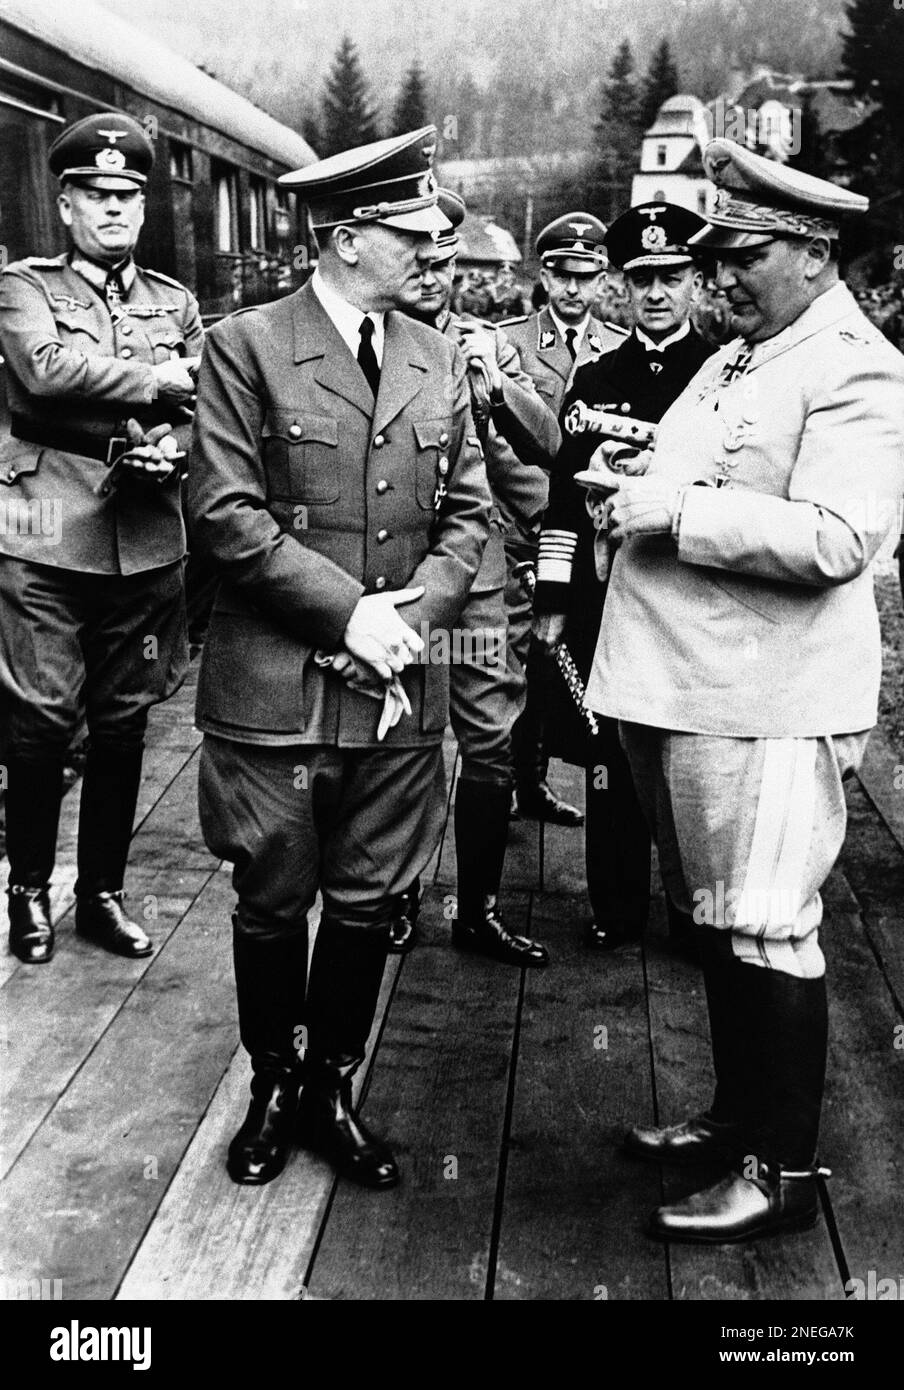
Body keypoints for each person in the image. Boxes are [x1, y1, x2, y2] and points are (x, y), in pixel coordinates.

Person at [587, 140, 904, 1242]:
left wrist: (672, 514)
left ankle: (777, 1174)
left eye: (743, 253)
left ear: (814, 253)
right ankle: (735, 1120)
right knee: (721, 926)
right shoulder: (745, 354)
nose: (716, 275)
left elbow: (838, 537)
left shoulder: (854, 365)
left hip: (771, 699)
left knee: (768, 929)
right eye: (716, 253)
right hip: (697, 687)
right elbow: (701, 472)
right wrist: (636, 479)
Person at [187, 128, 492, 1190]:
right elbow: (223, 514)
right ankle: (272, 1081)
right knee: (272, 899)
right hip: (274, 690)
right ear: (348, 236)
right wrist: (349, 614)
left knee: (367, 899)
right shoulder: (245, 346)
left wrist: (418, 612)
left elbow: (473, 511)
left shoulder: (439, 353)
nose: (431, 253)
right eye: (412, 234)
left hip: (400, 688)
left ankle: (330, 1085)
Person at [0, 112, 202, 965]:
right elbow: (43, 371)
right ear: (67, 202)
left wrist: (174, 449)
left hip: (144, 535)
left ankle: (101, 896)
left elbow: (207, 413)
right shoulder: (25, 287)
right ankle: (27, 893)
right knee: (42, 723)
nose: (115, 210)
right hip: (44, 527)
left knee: (124, 727)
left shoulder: (175, 301)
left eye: (129, 196)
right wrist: (155, 380)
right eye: (97, 196)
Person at [534, 202, 715, 953]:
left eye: (671, 276)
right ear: (623, 287)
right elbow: (561, 497)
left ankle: (694, 909)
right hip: (609, 595)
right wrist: (552, 598)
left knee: (690, 758)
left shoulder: (720, 372)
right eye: (641, 279)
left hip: (693, 591)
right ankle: (615, 905)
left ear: (694, 281)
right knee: (610, 748)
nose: (657, 294)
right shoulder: (594, 377)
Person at [391, 189, 559, 966]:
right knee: (401, 740)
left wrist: (496, 385)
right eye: (418, 255)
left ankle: (479, 909)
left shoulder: (489, 345)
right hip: (399, 576)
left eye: (445, 258)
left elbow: (547, 446)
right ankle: (390, 896)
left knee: (488, 743)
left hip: (483, 576)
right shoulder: (370, 345)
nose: (431, 272)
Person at [502, 214, 627, 825]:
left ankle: (541, 779)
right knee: (514, 662)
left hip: (588, 537)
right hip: (522, 529)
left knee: (570, 657)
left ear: (602, 278)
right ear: (543, 275)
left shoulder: (621, 350)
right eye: (561, 275)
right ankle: (506, 779)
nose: (574, 290)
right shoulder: (511, 343)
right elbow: (496, 442)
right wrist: (534, 513)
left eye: (587, 277)